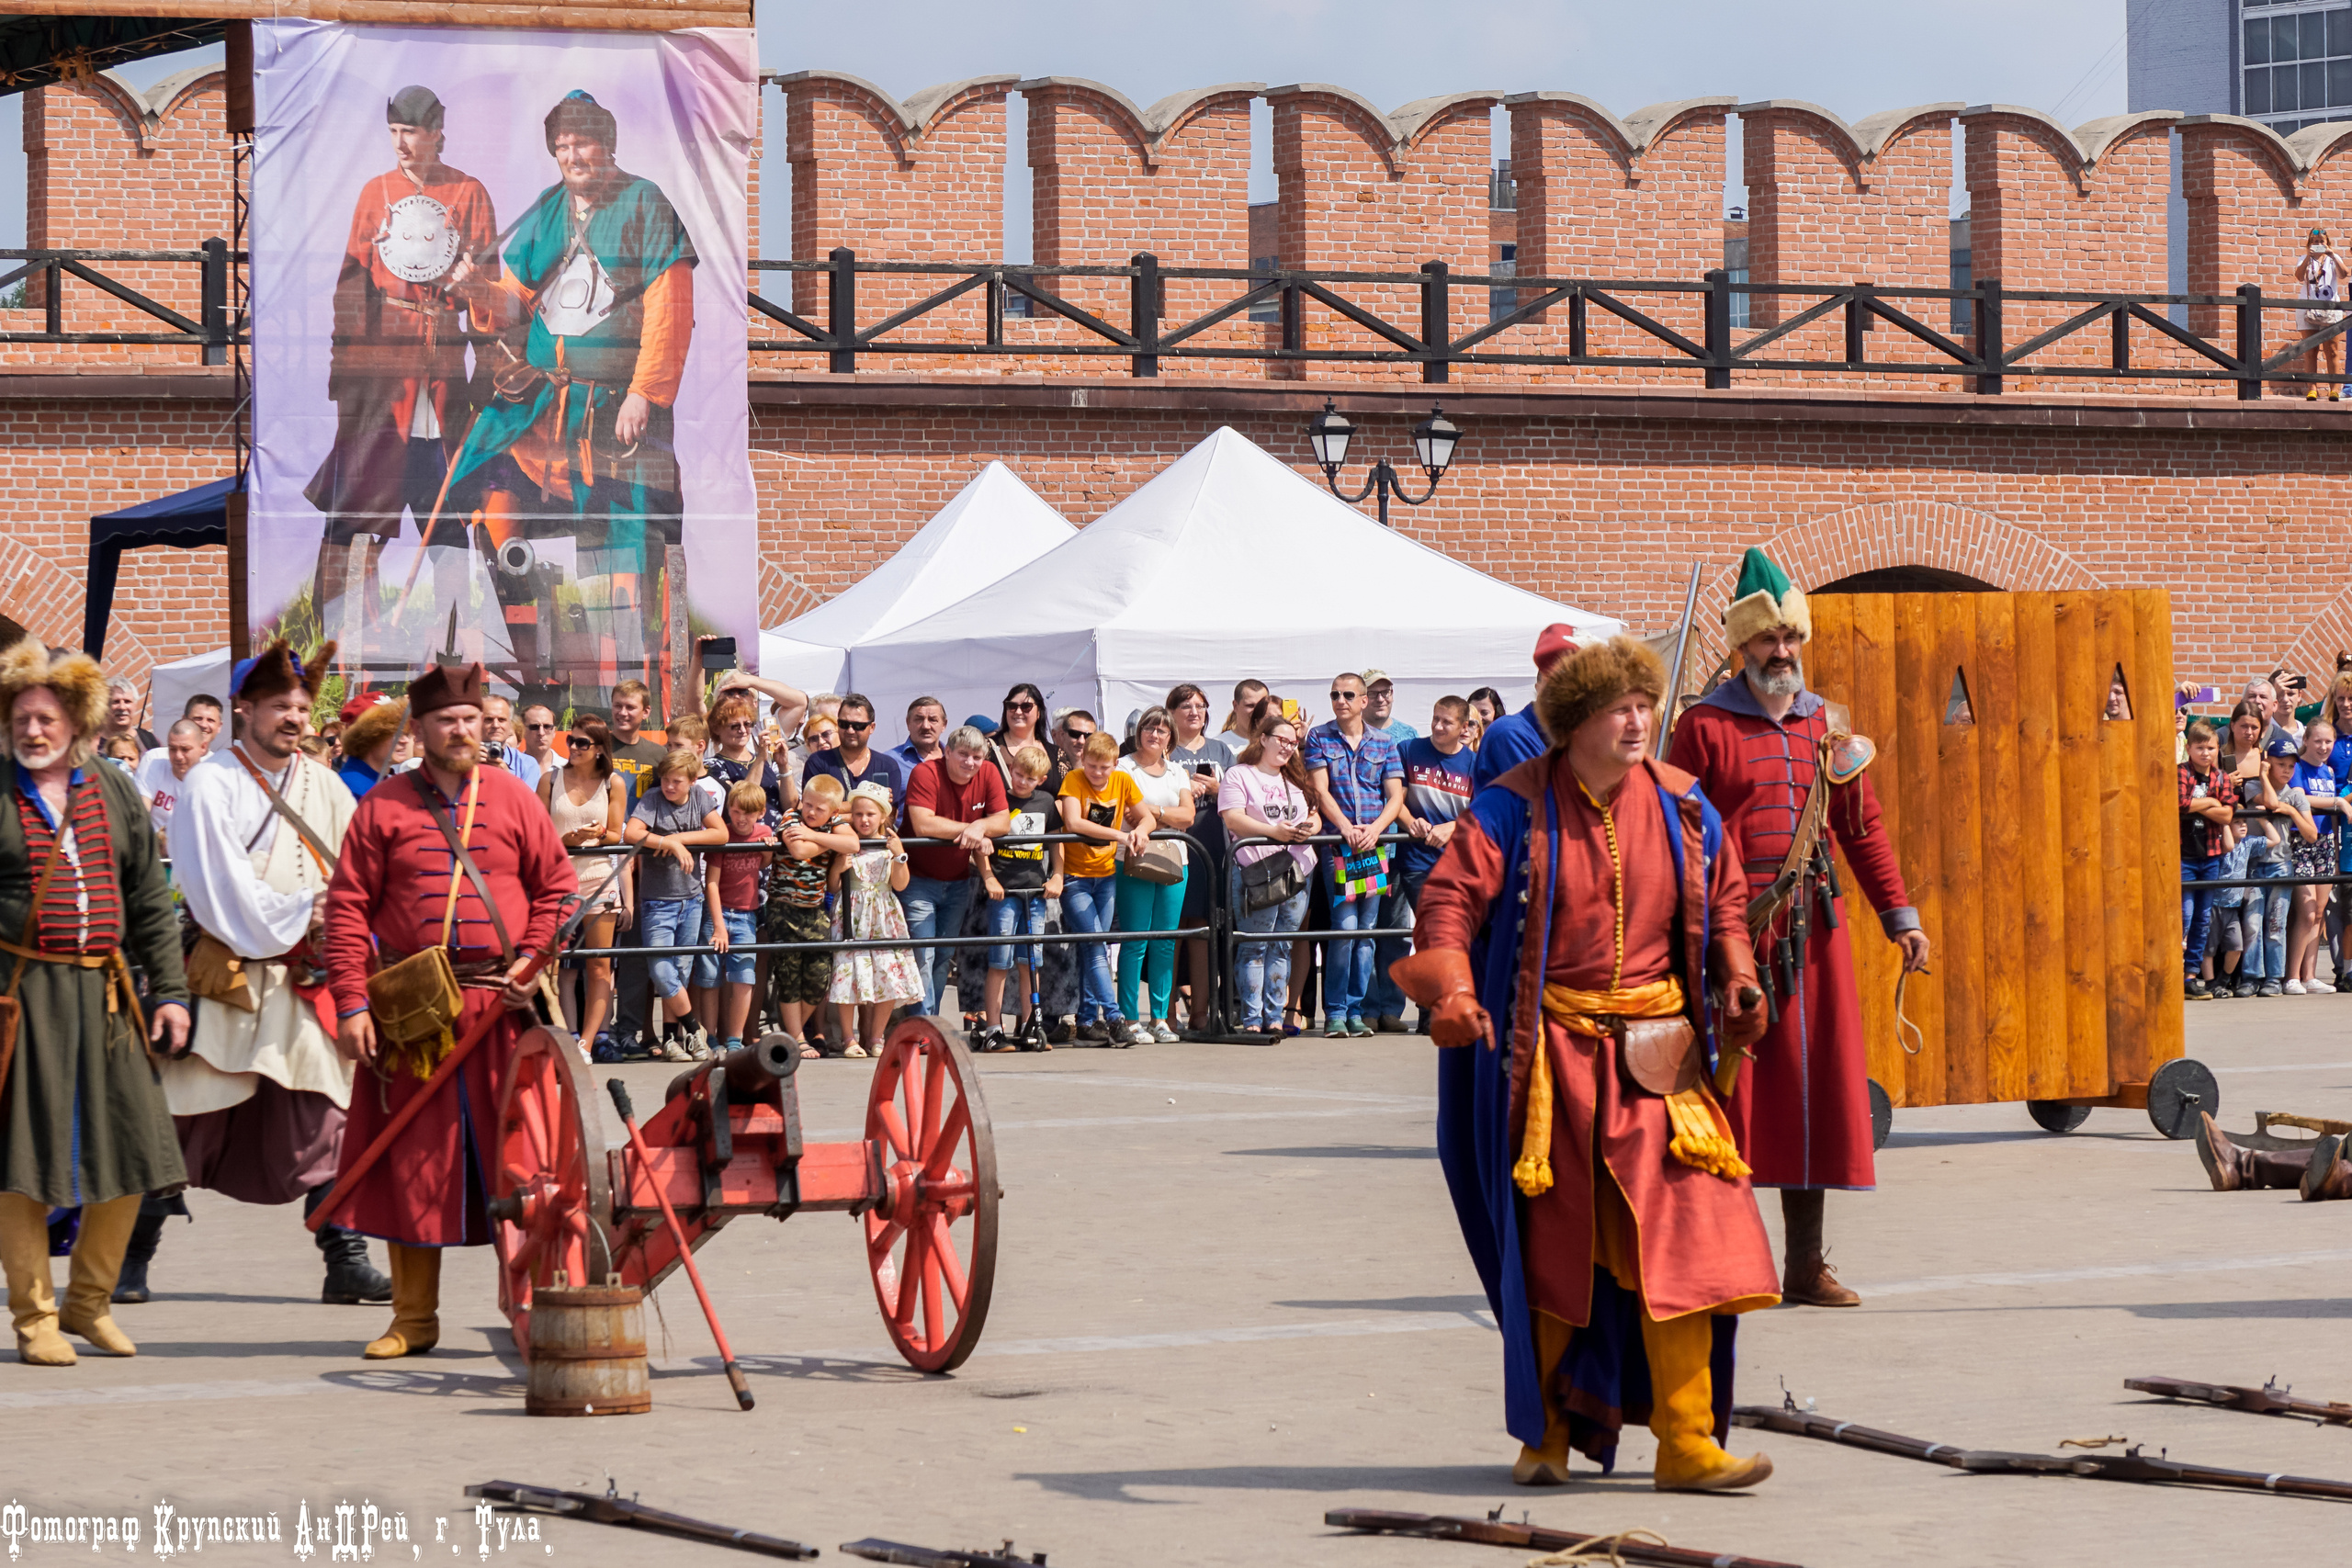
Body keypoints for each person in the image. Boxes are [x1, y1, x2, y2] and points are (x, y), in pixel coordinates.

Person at [1395, 634, 1775, 1490]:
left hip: (1661, 1058)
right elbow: (1451, 896)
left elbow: (1724, 903)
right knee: (1557, 1251)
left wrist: (1740, 979)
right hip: (1551, 1065)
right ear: (1576, 723)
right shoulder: (1512, 807)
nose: (1639, 720)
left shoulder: (1683, 805)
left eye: (1645, 704)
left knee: (1695, 1236)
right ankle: (1549, 1435)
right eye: (1620, 708)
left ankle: (1687, 1441)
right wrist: (1452, 984)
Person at [1670, 548, 1928, 1309]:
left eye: (1790, 641)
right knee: (1732, 1096)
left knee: (1812, 1091)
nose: (1780, 653)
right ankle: (1730, 1261)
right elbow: (1682, 833)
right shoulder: (1704, 726)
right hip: (1733, 936)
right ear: (1741, 645)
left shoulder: (1828, 725)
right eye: (1765, 641)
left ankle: (1804, 1265)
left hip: (1813, 935)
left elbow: (1863, 826)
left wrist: (1899, 916)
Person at [320, 659, 574, 1360]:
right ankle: (414, 1317)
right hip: (414, 1014)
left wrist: (531, 961)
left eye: (469, 718)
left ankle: (528, 1302)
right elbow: (346, 911)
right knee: (413, 1159)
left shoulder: (515, 796)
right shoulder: (384, 805)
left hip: (504, 1007)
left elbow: (557, 889)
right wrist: (349, 1003)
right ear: (422, 729)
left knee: (523, 1165)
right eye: (445, 721)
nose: (460, 729)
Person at [441, 90, 695, 700]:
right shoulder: (548, 210)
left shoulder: (644, 202)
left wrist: (646, 392)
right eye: (561, 146)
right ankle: (532, 667)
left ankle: (625, 687)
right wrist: (477, 287)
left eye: (582, 143)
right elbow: (513, 302)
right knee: (485, 484)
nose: (572, 155)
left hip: (615, 409)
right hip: (543, 407)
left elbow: (672, 303)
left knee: (623, 537)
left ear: (607, 145)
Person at [155, 638, 387, 1308]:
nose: (293, 716)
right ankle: (132, 1257)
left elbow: (361, 868)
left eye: (301, 705)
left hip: (306, 982)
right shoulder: (211, 781)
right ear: (244, 709)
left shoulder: (323, 783)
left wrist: (349, 916)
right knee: (185, 1118)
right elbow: (214, 888)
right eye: (279, 705)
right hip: (229, 977)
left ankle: (344, 1257)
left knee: (325, 1114)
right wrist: (302, 908)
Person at [0, 642, 191, 1364]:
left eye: (46, 718)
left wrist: (169, 992)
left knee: (134, 1148)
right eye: (22, 717)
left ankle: (88, 1302)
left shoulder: (111, 787)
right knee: (22, 1161)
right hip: (24, 996)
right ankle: (34, 1318)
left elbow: (148, 897)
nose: (34, 730)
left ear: (75, 721)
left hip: (110, 995)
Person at [303, 86, 499, 661]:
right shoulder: (375, 192)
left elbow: (492, 292)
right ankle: (340, 647)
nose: (401, 145)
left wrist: (475, 294)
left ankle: (449, 650)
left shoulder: (469, 192)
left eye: (410, 133)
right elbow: (350, 286)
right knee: (357, 511)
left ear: (438, 131)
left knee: (446, 519)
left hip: (441, 379)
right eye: (393, 133)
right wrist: (347, 371)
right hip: (382, 381)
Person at [1305, 672, 1406, 1039]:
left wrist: (1377, 828)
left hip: (1376, 846)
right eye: (1334, 694)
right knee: (1345, 929)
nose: (1340, 700)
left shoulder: (1384, 742)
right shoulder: (1319, 737)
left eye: (1348, 694)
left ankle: (1355, 1010)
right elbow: (1320, 790)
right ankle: (1335, 1011)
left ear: (1364, 700)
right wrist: (1346, 827)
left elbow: (1395, 796)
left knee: (1366, 933)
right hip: (1339, 846)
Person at [902, 726, 1009, 1024]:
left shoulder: (988, 772)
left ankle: (929, 1023)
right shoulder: (925, 773)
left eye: (976, 756)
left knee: (942, 955)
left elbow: (1003, 821)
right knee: (923, 954)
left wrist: (980, 827)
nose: (970, 762)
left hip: (959, 879)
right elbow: (923, 824)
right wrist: (973, 828)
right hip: (917, 878)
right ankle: (921, 1024)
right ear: (947, 752)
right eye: (963, 754)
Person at [625, 750, 727, 1061]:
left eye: (676, 782)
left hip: (691, 899)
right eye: (666, 780)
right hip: (658, 901)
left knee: (680, 970)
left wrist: (680, 837)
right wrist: (667, 842)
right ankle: (695, 1032)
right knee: (660, 969)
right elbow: (632, 832)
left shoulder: (699, 798)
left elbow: (720, 833)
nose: (669, 786)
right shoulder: (653, 798)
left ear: (692, 781)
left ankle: (672, 1040)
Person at [1219, 715, 1318, 1034]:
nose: (1288, 748)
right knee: (1254, 945)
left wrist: (1308, 829)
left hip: (1297, 872)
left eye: (1293, 743)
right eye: (1282, 740)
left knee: (1282, 945)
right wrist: (1273, 832)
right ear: (1263, 738)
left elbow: (1315, 816)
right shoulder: (1239, 775)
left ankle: (1274, 1018)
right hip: (1255, 872)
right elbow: (1233, 819)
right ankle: (1251, 1020)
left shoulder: (1295, 780)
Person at [539, 716, 628, 1059]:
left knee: (599, 966)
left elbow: (615, 833)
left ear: (599, 749)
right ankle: (564, 1036)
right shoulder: (551, 779)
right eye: (571, 741)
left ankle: (586, 1042)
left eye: (582, 743)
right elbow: (538, 834)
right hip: (557, 881)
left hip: (599, 878)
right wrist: (567, 839)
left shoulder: (612, 783)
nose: (573, 748)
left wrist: (596, 835)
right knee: (554, 964)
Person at [1058, 731, 1152, 1043]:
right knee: (1097, 945)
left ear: (1115, 764)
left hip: (1106, 875)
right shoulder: (1073, 780)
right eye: (1092, 766)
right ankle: (1114, 1017)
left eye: (1104, 767)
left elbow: (1147, 817)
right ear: (1083, 761)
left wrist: (1140, 830)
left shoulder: (1123, 781)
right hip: (1075, 878)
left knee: (1094, 947)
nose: (1098, 773)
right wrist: (1123, 837)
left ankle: (1086, 1019)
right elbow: (1073, 823)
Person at [1114, 706, 1194, 1044]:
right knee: (1135, 939)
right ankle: (1131, 1019)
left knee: (1165, 940)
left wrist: (1155, 813)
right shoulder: (1124, 767)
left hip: (1176, 860)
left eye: (1162, 730)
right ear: (1138, 731)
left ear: (1170, 738)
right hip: (1133, 857)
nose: (1155, 734)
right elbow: (1131, 814)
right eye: (1149, 727)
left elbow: (1188, 815)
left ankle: (1160, 1018)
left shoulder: (1178, 772)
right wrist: (1164, 817)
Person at [1396, 697, 1476, 1032]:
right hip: (1418, 861)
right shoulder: (1408, 750)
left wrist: (1451, 828)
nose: (1438, 727)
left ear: (1464, 729)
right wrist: (1409, 821)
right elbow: (1394, 800)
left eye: (1446, 722)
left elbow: (1482, 813)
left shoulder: (1475, 763)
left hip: (1459, 865)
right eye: (1435, 719)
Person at [978, 744, 1063, 1050]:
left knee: (1031, 962)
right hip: (1004, 891)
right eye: (1017, 774)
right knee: (999, 961)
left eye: (1030, 778)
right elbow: (982, 841)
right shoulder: (1000, 799)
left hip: (1035, 891)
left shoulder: (1046, 802)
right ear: (1010, 770)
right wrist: (988, 877)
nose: (1022, 782)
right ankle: (993, 1028)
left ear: (1041, 779)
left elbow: (1056, 842)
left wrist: (1057, 875)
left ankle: (1030, 1025)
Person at [829, 783, 922, 1058]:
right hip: (852, 911)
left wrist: (899, 854)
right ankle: (849, 1038)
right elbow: (833, 886)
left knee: (888, 972)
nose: (864, 820)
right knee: (848, 974)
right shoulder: (847, 843)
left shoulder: (890, 844)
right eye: (858, 814)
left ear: (883, 815)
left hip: (884, 912)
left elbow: (900, 884)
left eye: (870, 814)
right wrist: (838, 867)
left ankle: (876, 1036)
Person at [768, 774, 856, 1056]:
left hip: (816, 910)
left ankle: (789, 1031)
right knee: (789, 977)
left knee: (820, 978)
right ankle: (796, 1037)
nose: (811, 812)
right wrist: (830, 842)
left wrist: (815, 835)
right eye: (808, 804)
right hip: (784, 909)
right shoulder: (790, 817)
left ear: (833, 811)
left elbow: (853, 844)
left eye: (819, 809)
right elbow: (799, 850)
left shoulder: (834, 824)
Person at [1167, 683, 1233, 1032]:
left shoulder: (1221, 749)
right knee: (1171, 931)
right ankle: (1167, 1012)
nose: (1195, 712)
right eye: (1186, 706)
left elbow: (1240, 793)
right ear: (1172, 712)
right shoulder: (1165, 747)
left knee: (1203, 931)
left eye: (1201, 706)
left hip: (1214, 848)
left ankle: (1202, 1012)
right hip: (1175, 849)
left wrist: (1215, 788)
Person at [702, 783, 775, 1053]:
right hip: (717, 913)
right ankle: (709, 1036)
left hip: (746, 915)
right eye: (735, 811)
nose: (741, 818)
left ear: (760, 813)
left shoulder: (764, 832)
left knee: (744, 978)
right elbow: (711, 883)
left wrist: (768, 846)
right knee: (709, 977)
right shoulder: (723, 836)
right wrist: (718, 925)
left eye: (748, 813)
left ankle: (734, 1038)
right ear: (728, 809)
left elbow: (765, 863)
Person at [1472, 627, 1586, 795]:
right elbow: (1553, 802)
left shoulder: (1574, 735)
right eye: (1555, 681)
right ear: (1539, 686)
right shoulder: (1510, 733)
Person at [2287, 720, 2341, 992]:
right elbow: (2301, 799)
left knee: (2319, 912)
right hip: (2300, 841)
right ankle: (2292, 976)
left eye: (2328, 742)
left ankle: (2309, 976)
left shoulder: (2329, 772)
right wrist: (2338, 802)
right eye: (2317, 741)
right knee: (2306, 912)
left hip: (2325, 843)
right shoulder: (2296, 767)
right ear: (2306, 739)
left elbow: (2330, 817)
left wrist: (2334, 849)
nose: (2323, 747)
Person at [802, 694, 908, 825]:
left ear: (872, 727)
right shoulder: (818, 761)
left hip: (874, 844)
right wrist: (870, 803)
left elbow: (888, 820)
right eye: (844, 724)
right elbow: (813, 812)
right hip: (829, 842)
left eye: (858, 726)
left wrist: (835, 812)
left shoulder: (888, 766)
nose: (850, 730)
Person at [134, 719, 206, 856]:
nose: (178, 756)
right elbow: (140, 815)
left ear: (202, 748)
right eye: (172, 749)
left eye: (185, 749)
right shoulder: (153, 763)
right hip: (154, 852)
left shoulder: (211, 778)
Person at [2297, 226, 2346, 401]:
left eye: (2321, 242)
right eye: (2315, 242)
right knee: (2310, 350)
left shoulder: (2333, 259)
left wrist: (2332, 255)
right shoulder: (2304, 258)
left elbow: (2344, 274)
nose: (2318, 244)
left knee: (2332, 349)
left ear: (2327, 244)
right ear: (2310, 244)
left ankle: (2334, 389)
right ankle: (2312, 389)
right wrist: (2308, 258)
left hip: (2330, 309)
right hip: (2308, 309)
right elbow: (2298, 276)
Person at [336, 696, 407, 799]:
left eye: (406, 733)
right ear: (367, 736)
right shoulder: (350, 789)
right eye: (394, 733)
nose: (405, 740)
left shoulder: (389, 782)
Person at [479, 695, 541, 790]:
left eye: (501, 720)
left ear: (510, 724)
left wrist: (507, 778)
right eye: (489, 720)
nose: (496, 725)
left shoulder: (526, 764)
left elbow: (525, 803)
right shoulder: (463, 758)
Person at [102, 676, 156, 755]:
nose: (122, 707)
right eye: (116, 702)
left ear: (135, 705)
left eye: (127, 701)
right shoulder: (91, 743)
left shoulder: (149, 742)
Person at [893, 696, 947, 773]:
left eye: (932, 720)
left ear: (944, 725)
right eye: (919, 719)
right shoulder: (890, 762)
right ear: (908, 723)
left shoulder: (957, 760)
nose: (926, 726)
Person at [1363, 670, 1418, 745]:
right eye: (1372, 693)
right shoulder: (1349, 735)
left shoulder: (1409, 735)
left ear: (1392, 694)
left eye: (1385, 692)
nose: (1380, 699)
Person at [1218, 680, 1268, 752]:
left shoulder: (1278, 745)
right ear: (1235, 706)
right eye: (1250, 706)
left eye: (1261, 705)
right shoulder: (1219, 746)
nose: (1257, 711)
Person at [517, 705, 561, 778]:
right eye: (534, 727)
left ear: (554, 731)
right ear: (523, 731)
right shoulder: (513, 769)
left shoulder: (569, 769)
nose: (541, 733)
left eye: (547, 727)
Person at [1054, 709, 1100, 775]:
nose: (1081, 741)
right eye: (1075, 734)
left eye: (1088, 736)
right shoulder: (1048, 766)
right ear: (1062, 735)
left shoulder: (1100, 772)